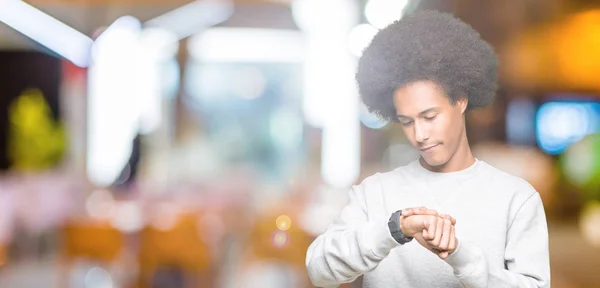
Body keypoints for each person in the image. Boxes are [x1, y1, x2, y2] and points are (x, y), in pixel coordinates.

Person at [305, 10, 550, 288]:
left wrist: (461, 257)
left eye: (430, 116)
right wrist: (393, 230)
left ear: (460, 101)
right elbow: (319, 270)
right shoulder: (375, 194)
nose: (419, 135)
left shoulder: (516, 199)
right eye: (406, 121)